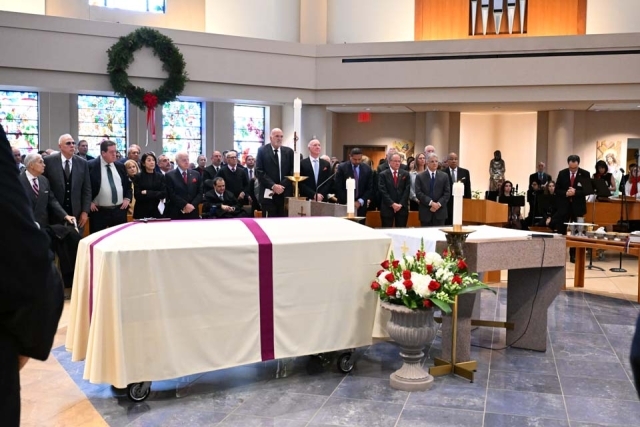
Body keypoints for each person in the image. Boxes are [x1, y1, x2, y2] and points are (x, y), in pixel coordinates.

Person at [0, 125, 63, 426]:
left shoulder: (46, 183)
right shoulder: (18, 180)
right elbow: (23, 255)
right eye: (37, 162)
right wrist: (28, 340)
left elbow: (49, 204)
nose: (41, 166)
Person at [43, 134, 92, 234]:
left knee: (75, 244)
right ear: (60, 146)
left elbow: (87, 189)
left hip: (76, 213)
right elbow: (46, 187)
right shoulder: (49, 161)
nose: (72, 145)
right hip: (54, 212)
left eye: (73, 143)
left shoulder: (82, 163)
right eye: (68, 143)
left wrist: (85, 211)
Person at [20, 153, 75, 228]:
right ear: (31, 165)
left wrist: (65, 215)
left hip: (43, 225)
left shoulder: (44, 180)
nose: (44, 165)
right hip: (24, 224)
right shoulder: (18, 181)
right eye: (40, 162)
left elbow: (52, 200)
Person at [88, 140, 132, 233]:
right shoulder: (90, 166)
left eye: (115, 151)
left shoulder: (120, 166)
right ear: (103, 153)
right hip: (99, 211)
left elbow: (128, 185)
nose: (114, 154)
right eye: (111, 152)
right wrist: (89, 202)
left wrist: (127, 198)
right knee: (98, 239)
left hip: (119, 210)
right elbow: (84, 187)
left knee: (119, 239)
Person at [554, 154, 590, 262]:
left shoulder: (585, 174)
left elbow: (587, 190)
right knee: (561, 230)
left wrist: (575, 192)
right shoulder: (562, 173)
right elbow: (557, 190)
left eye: (575, 168)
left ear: (578, 164)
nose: (573, 170)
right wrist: (566, 193)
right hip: (564, 206)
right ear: (568, 164)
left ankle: (574, 255)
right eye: (571, 168)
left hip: (577, 207)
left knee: (577, 232)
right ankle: (559, 254)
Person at [255, 128, 294, 217]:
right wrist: (273, 186)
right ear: (271, 138)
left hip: (285, 193)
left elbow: (292, 171)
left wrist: (281, 185)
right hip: (268, 193)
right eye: (277, 136)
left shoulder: (289, 152)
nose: (279, 138)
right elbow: (259, 171)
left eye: (281, 136)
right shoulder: (262, 151)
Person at [335, 147, 373, 218]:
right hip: (345, 203)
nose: (357, 161)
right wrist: (350, 202)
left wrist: (360, 201)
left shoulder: (367, 169)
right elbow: (338, 187)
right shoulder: (342, 167)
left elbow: (369, 188)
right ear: (350, 157)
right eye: (355, 159)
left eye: (359, 159)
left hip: (361, 205)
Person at [415, 153, 451, 226]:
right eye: (432, 161)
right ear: (427, 163)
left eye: (436, 161)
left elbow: (447, 193)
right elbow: (418, 193)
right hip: (426, 211)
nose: (435, 163)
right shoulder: (420, 176)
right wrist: (431, 203)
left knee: (439, 236)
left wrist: (438, 204)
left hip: (440, 212)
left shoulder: (444, 176)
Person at [166, 151, 203, 220]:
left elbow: (200, 192)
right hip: (177, 210)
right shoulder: (169, 175)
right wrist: (185, 205)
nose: (186, 162)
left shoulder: (196, 174)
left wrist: (192, 205)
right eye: (184, 160)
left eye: (187, 159)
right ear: (177, 162)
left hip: (193, 210)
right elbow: (171, 194)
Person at [378, 153, 410, 228]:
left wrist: (400, 204)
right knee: (386, 230)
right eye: (395, 161)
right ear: (389, 162)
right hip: (387, 207)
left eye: (399, 161)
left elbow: (407, 190)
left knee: (401, 230)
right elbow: (383, 191)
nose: (397, 163)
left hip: (402, 208)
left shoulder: (405, 174)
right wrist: (392, 204)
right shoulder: (383, 174)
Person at [133, 152, 166, 219]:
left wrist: (147, 192)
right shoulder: (138, 177)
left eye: (153, 160)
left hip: (157, 209)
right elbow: (137, 195)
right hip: (142, 210)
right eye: (149, 160)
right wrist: (155, 193)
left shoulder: (160, 176)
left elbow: (163, 194)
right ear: (143, 163)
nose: (152, 162)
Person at [445, 152, 471, 225]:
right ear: (447, 161)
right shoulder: (443, 172)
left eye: (456, 159)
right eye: (451, 159)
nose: (454, 161)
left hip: (461, 202)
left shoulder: (465, 172)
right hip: (447, 204)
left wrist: (468, 202)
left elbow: (468, 189)